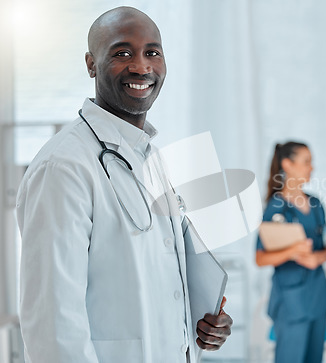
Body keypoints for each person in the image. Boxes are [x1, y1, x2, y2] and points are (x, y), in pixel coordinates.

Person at [16, 7, 232, 363]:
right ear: (91, 64)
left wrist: (205, 320)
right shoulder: (64, 167)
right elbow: (53, 327)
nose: (141, 67)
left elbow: (159, 276)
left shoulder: (150, 157)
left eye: (152, 52)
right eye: (122, 53)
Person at [255, 142, 326, 363]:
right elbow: (260, 258)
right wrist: (293, 251)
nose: (312, 167)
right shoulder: (276, 207)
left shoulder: (316, 204)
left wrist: (318, 257)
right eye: (307, 162)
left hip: (317, 296)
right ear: (287, 164)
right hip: (291, 302)